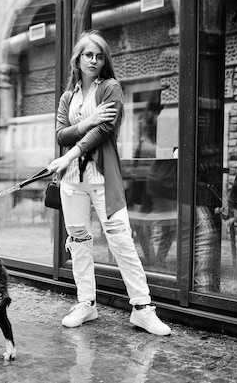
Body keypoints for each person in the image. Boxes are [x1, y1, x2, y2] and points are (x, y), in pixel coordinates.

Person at [46, 30, 171, 336]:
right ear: (78, 58)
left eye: (99, 56)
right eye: (88, 54)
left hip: (102, 178)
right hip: (72, 181)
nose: (94, 60)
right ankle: (86, 304)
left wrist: (71, 151)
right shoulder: (68, 97)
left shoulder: (111, 88)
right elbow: (60, 134)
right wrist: (87, 121)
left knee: (121, 240)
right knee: (79, 242)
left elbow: (103, 131)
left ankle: (142, 308)